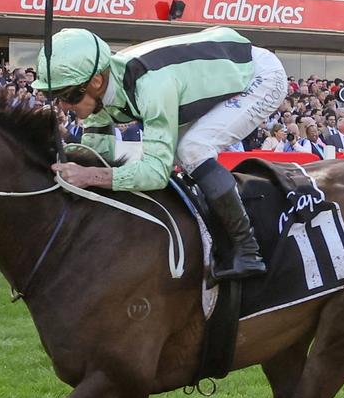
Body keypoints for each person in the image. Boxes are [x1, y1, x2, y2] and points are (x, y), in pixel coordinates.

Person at [34, 27, 288, 280]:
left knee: (192, 150)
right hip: (210, 75)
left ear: (96, 81)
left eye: (66, 96)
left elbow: (156, 173)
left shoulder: (151, 86)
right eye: (55, 97)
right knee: (180, 154)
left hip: (260, 76)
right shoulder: (101, 91)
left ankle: (247, 251)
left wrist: (89, 175)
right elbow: (96, 155)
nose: (63, 106)